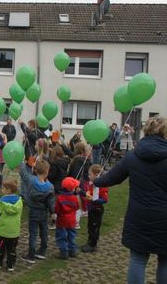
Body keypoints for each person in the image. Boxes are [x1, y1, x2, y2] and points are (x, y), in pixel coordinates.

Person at [94, 117, 167, 284]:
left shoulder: (133, 156)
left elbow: (112, 178)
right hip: (164, 218)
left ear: (146, 131)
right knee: (165, 260)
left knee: (138, 259)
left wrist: (95, 181)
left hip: (139, 216)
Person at [18, 160, 55, 264]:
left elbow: (23, 173)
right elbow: (51, 202)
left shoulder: (31, 180)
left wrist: (21, 161)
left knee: (33, 234)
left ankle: (31, 255)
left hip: (33, 211)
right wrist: (52, 213)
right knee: (44, 232)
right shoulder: (50, 187)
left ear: (34, 170)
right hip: (44, 213)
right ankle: (42, 251)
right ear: (47, 172)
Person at [0, 179, 23, 271]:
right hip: (14, 232)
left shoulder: (0, 202)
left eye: (3, 188)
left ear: (8, 190)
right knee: (12, 249)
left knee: (0, 248)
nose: (1, 190)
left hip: (2, 232)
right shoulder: (20, 202)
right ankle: (11, 265)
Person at [80, 164, 109, 253]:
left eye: (90, 174)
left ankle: (93, 244)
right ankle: (89, 242)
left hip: (97, 209)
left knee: (94, 227)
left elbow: (105, 199)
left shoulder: (101, 186)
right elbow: (88, 194)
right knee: (90, 226)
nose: (88, 176)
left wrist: (94, 199)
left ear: (96, 175)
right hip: (91, 208)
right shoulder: (91, 184)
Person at [67, 142, 92, 227]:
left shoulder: (78, 160)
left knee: (76, 200)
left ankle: (76, 222)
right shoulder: (86, 159)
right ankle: (76, 219)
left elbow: (75, 172)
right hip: (80, 181)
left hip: (75, 181)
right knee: (79, 199)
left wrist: (72, 181)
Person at [54, 177, 80, 259]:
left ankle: (64, 252)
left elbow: (57, 210)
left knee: (62, 236)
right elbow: (77, 207)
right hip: (72, 221)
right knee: (71, 235)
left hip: (62, 221)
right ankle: (72, 250)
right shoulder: (74, 198)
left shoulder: (60, 198)